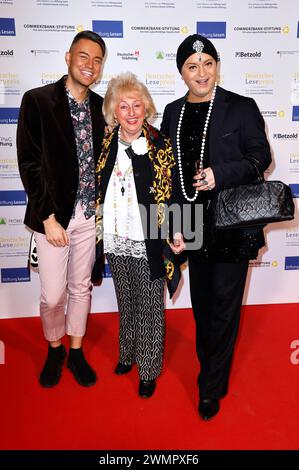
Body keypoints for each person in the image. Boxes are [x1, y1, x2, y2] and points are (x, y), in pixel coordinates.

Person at [161, 34, 272, 419]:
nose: (201, 72)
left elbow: (260, 158)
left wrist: (219, 174)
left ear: (217, 66)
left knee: (224, 307)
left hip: (232, 222)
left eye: (208, 63)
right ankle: (210, 368)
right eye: (192, 66)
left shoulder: (240, 107)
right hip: (191, 222)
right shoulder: (173, 112)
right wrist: (174, 225)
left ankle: (210, 386)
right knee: (202, 306)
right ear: (181, 72)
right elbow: (171, 176)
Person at [17, 30, 106, 388]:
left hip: (88, 216)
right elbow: (30, 164)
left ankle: (77, 348)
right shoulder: (37, 101)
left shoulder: (102, 106)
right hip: (52, 217)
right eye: (84, 56)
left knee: (81, 287)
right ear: (68, 57)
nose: (90, 65)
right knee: (52, 295)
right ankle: (54, 348)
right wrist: (48, 218)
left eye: (97, 60)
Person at [92, 72, 176, 398]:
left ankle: (149, 369)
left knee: (150, 305)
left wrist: (178, 232)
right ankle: (127, 353)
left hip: (148, 238)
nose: (130, 112)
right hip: (115, 235)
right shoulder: (105, 145)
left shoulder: (159, 144)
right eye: (123, 106)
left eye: (136, 105)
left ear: (146, 108)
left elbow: (171, 195)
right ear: (114, 112)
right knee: (126, 299)